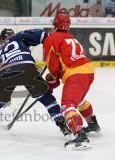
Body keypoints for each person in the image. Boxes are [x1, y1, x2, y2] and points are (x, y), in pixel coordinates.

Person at [0, 28, 70, 138]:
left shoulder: (0, 50)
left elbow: (12, 58)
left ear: (1, 40)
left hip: (5, 72)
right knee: (46, 97)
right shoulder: (19, 36)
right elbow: (43, 35)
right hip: (27, 69)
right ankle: (63, 125)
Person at [43, 12, 100, 150]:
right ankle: (92, 124)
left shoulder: (51, 38)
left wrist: (52, 78)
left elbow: (53, 65)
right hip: (88, 71)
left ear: (55, 24)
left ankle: (80, 136)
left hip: (76, 74)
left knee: (67, 105)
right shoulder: (71, 37)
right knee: (78, 101)